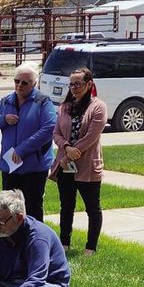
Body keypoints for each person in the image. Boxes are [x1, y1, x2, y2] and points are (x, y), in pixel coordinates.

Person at [0, 62, 57, 220]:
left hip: (34, 167)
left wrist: (22, 150)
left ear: (34, 83)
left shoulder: (43, 102)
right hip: (10, 167)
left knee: (32, 207)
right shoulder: (5, 102)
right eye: (16, 81)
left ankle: (33, 241)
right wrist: (3, 119)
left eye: (25, 82)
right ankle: (11, 241)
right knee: (9, 208)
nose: (19, 86)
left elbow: (50, 128)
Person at [50, 66, 106, 255]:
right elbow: (56, 132)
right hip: (65, 165)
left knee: (92, 207)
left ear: (89, 84)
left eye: (78, 84)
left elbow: (92, 135)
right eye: (71, 84)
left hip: (87, 166)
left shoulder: (98, 107)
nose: (74, 88)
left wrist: (74, 152)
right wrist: (66, 148)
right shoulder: (64, 107)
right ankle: (64, 243)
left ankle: (91, 247)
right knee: (66, 206)